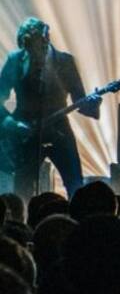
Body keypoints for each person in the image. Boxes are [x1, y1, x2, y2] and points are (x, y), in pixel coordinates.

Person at [0, 18, 100, 198]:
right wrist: (13, 125)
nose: (31, 52)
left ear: (45, 40)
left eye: (34, 46)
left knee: (75, 185)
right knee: (21, 190)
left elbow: (81, 102)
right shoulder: (15, 60)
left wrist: (93, 104)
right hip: (26, 135)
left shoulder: (65, 62)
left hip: (59, 131)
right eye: (27, 48)